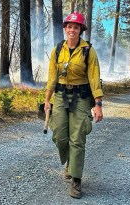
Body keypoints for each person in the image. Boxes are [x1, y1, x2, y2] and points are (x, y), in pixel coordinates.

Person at [44, 12, 103, 199]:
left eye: (76, 27)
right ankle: (69, 163)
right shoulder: (58, 49)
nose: (72, 30)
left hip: (82, 97)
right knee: (60, 136)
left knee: (77, 138)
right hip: (61, 96)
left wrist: (98, 104)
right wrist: (47, 100)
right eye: (69, 26)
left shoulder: (88, 51)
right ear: (65, 28)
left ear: (81, 30)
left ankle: (76, 180)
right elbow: (52, 77)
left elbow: (94, 78)